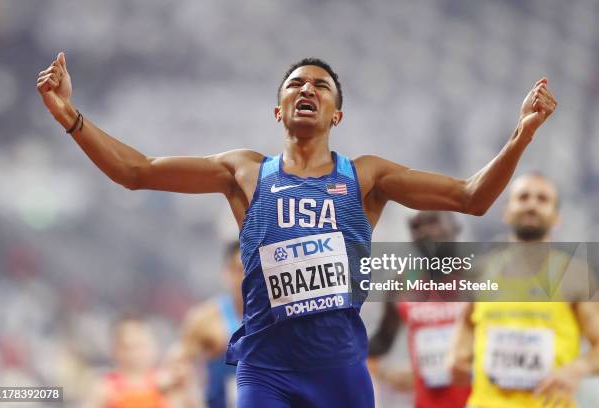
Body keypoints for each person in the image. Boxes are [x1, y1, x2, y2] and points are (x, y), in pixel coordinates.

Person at [37, 52, 556, 407]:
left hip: (341, 370)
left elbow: (472, 197)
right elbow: (137, 171)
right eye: (295, 85)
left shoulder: (367, 177)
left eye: (320, 86)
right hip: (267, 371)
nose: (307, 89)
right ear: (279, 109)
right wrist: (70, 116)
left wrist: (522, 135)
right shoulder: (243, 172)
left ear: (338, 113)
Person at [449, 173, 599, 408]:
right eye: (523, 197)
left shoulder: (575, 275)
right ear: (507, 211)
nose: (531, 204)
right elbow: (467, 322)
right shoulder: (480, 272)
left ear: (556, 217)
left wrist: (577, 368)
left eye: (542, 199)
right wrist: (457, 354)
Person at [368, 211, 470, 408]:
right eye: (415, 227)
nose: (424, 232)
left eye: (432, 222)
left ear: (455, 227)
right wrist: (382, 372)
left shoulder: (479, 278)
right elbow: (382, 340)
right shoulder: (403, 283)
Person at [162, 241, 243, 408]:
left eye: (251, 269)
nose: (244, 277)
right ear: (226, 273)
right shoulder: (207, 318)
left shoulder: (275, 315)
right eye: (238, 270)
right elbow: (176, 363)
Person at [85, 316, 169, 408]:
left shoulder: (166, 383)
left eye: (140, 345)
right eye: (128, 347)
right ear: (115, 350)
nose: (135, 353)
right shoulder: (105, 389)